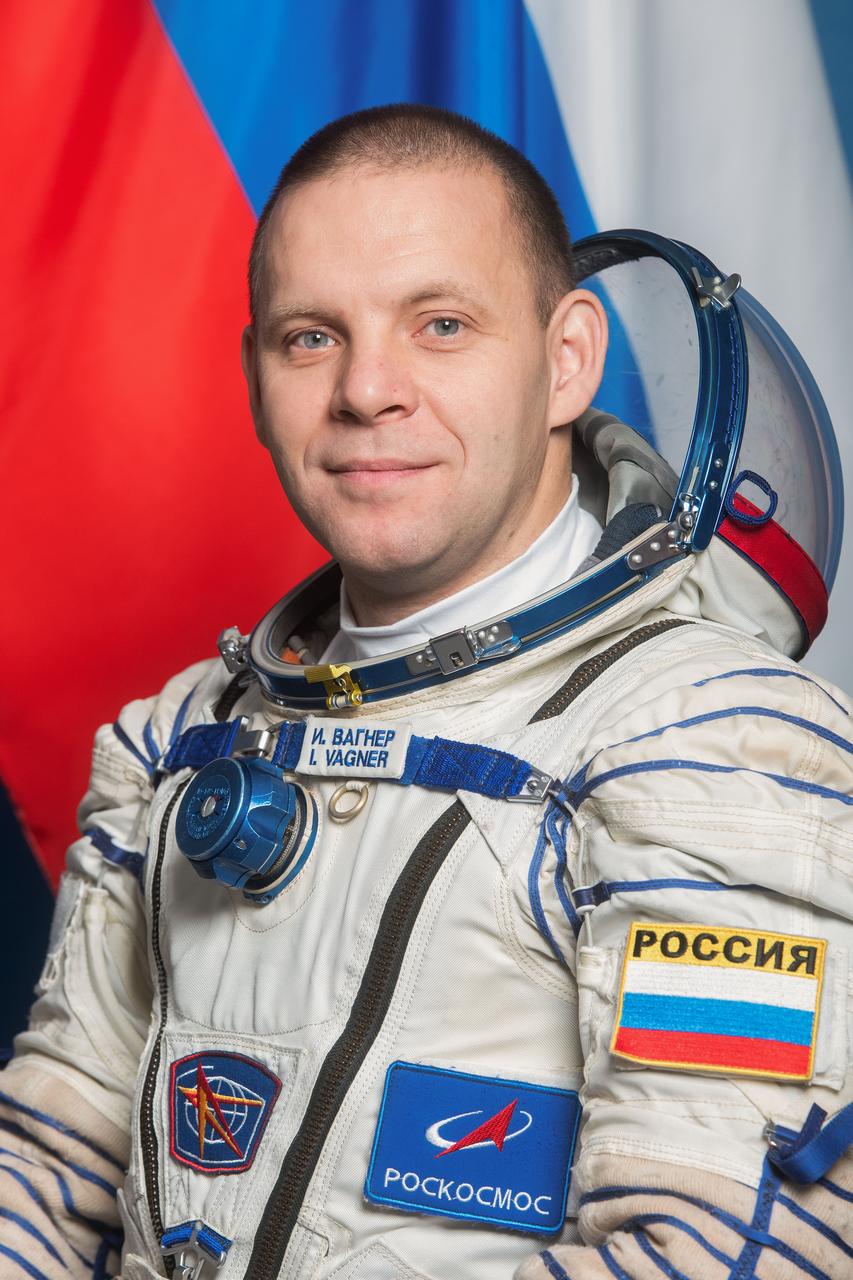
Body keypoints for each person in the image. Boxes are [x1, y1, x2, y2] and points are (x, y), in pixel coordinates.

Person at [1, 104, 851, 1280]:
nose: (367, 391)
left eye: (439, 324)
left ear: (567, 360)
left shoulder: (712, 747)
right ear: (255, 377)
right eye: (310, 337)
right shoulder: (178, 742)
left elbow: (724, 1250)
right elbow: (46, 1174)